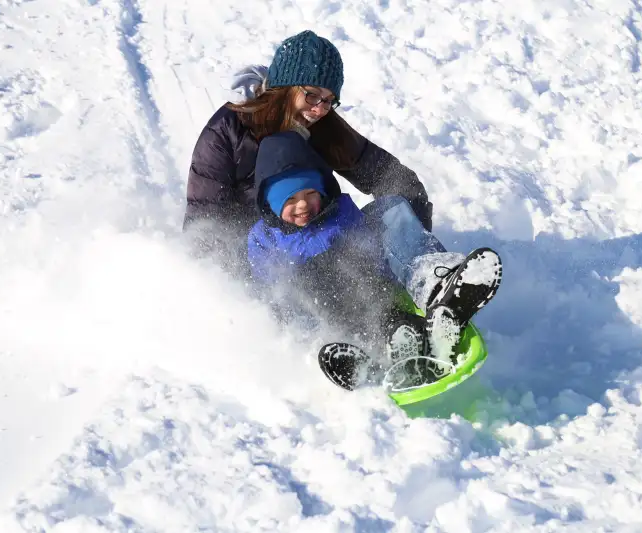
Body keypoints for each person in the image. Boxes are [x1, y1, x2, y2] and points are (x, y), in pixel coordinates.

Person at [247, 130, 503, 389]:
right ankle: (364, 361)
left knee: (388, 218)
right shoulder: (264, 238)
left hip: (372, 297)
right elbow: (271, 287)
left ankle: (437, 299)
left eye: (309, 193)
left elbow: (371, 254)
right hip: (324, 315)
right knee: (307, 300)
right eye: (289, 199)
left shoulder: (339, 212)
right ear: (271, 204)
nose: (302, 205)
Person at [184, 30, 433, 275]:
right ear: (285, 88)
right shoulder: (226, 132)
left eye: (329, 100)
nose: (320, 109)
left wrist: (414, 240)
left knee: (393, 210)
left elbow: (389, 176)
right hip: (270, 263)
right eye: (312, 95)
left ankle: (431, 281)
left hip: (327, 243)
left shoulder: (322, 125)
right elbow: (205, 225)